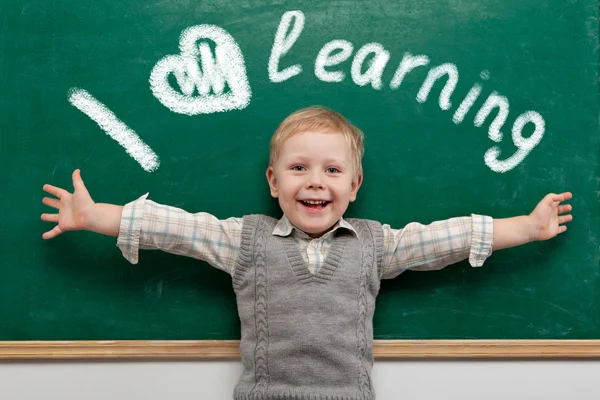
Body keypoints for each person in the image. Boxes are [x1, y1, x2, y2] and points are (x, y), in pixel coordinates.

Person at [41, 106, 572, 400]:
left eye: (332, 171)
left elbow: (445, 239)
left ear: (355, 185)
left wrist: (525, 227)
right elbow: (173, 228)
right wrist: (95, 217)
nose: (315, 182)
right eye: (298, 168)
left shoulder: (374, 245)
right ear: (273, 181)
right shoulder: (243, 240)